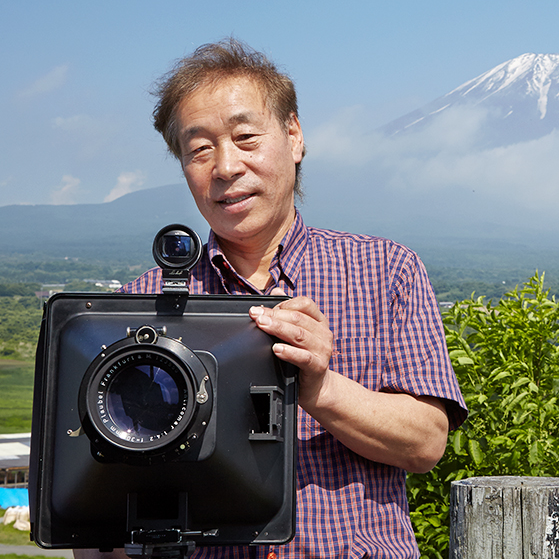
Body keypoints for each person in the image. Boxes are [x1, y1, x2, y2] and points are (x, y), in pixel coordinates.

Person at [89, 38, 467, 559]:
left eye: (246, 137)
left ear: (293, 136)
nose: (225, 166)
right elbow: (92, 501)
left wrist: (321, 387)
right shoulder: (141, 306)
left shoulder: (386, 271)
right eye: (199, 149)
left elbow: (426, 443)